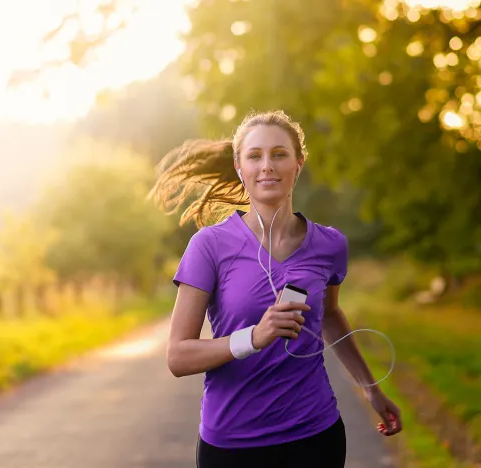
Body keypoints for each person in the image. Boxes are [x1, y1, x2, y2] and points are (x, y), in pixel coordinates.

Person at [149, 110, 402, 467]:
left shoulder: (329, 245)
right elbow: (178, 356)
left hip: (315, 435)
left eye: (279, 154)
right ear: (240, 168)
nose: (267, 165)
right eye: (255, 156)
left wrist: (371, 389)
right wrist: (254, 337)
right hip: (233, 444)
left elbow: (328, 315)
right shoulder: (209, 246)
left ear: (298, 164)